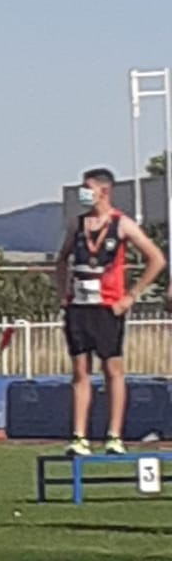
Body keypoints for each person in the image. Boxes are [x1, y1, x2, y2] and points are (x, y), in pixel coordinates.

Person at [54, 168, 166, 458]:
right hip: (79, 307)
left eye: (87, 187)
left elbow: (156, 259)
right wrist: (62, 295)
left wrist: (131, 295)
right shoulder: (77, 224)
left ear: (104, 190)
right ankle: (79, 437)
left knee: (112, 370)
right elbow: (62, 259)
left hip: (108, 307)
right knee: (80, 371)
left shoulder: (122, 224)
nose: (83, 192)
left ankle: (114, 436)